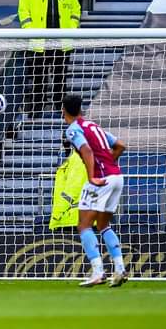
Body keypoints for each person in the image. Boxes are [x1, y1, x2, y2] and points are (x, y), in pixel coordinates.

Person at [62, 94, 128, 287]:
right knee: (103, 225)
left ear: (63, 110)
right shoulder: (93, 125)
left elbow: (87, 151)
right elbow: (120, 145)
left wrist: (92, 176)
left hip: (101, 180)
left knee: (83, 225)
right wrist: (109, 163)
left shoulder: (73, 129)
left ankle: (98, 272)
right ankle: (120, 269)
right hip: (116, 177)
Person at [18, 0, 81, 115]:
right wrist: (30, 29)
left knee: (60, 76)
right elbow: (23, 11)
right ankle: (37, 108)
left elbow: (76, 10)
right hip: (40, 43)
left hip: (62, 42)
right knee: (39, 77)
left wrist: (71, 28)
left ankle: (60, 107)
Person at [49, 135, 87, 230]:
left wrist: (57, 214)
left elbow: (73, 190)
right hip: (73, 216)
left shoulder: (78, 159)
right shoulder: (76, 158)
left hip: (72, 217)